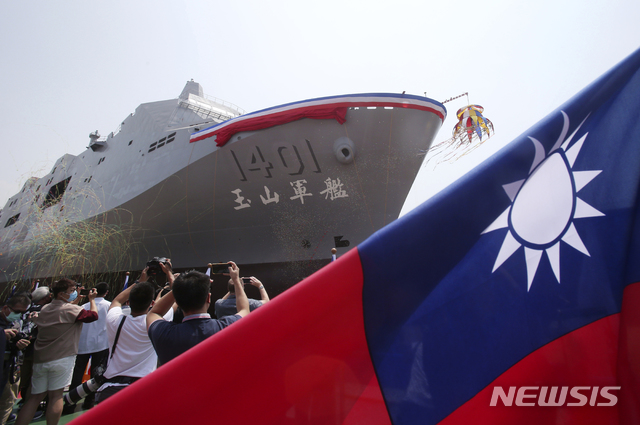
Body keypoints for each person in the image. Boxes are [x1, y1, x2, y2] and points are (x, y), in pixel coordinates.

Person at [14, 279, 98, 425]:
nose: (73, 293)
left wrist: (76, 297)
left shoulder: (45, 309)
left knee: (33, 398)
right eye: (71, 291)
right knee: (56, 397)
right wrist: (92, 300)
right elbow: (93, 315)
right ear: (61, 294)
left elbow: (64, 309)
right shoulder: (71, 310)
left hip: (41, 359)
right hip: (62, 358)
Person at [146, 261, 249, 365]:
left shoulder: (164, 334)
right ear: (208, 298)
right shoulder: (227, 328)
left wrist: (180, 288)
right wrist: (236, 280)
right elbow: (244, 310)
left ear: (177, 301)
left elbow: (154, 313)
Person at [94, 270, 173, 403]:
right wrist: (169, 274)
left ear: (129, 302)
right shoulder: (155, 323)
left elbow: (117, 301)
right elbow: (175, 296)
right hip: (143, 389)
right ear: (152, 304)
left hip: (111, 390)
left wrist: (140, 281)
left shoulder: (115, 320)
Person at [67, 282, 111, 411]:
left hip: (83, 343)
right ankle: (89, 401)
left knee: (78, 374)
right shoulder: (109, 306)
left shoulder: (84, 306)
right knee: (96, 375)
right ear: (106, 292)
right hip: (101, 344)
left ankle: (70, 402)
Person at [16, 287, 52, 417]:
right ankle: (30, 406)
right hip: (38, 349)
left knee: (24, 377)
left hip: (24, 348)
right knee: (34, 378)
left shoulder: (27, 309)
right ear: (45, 297)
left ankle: (23, 402)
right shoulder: (46, 310)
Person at [0, 293, 31, 424]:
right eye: (17, 311)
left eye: (23, 312)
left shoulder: (15, 323)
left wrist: (17, 346)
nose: (19, 315)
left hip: (8, 367)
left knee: (7, 401)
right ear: (6, 308)